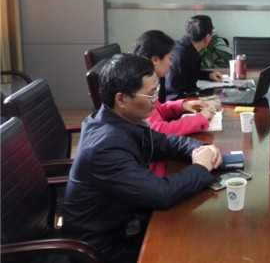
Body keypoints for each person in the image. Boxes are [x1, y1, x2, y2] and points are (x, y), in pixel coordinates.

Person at [62, 53, 222, 263]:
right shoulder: (105, 147)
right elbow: (161, 194)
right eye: (150, 94)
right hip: (105, 248)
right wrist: (200, 168)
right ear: (121, 99)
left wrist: (200, 149)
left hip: (126, 224)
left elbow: (164, 142)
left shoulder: (118, 119)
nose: (156, 100)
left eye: (156, 90)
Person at [133, 29, 220, 176]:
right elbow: (158, 131)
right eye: (170, 59)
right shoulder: (140, 86)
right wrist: (200, 118)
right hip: (154, 168)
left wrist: (182, 105)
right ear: (155, 60)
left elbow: (157, 110)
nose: (171, 64)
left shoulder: (142, 77)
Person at [165, 15, 223, 100]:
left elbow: (189, 73)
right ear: (207, 38)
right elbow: (173, 94)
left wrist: (209, 75)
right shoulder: (180, 56)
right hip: (179, 104)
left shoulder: (185, 48)